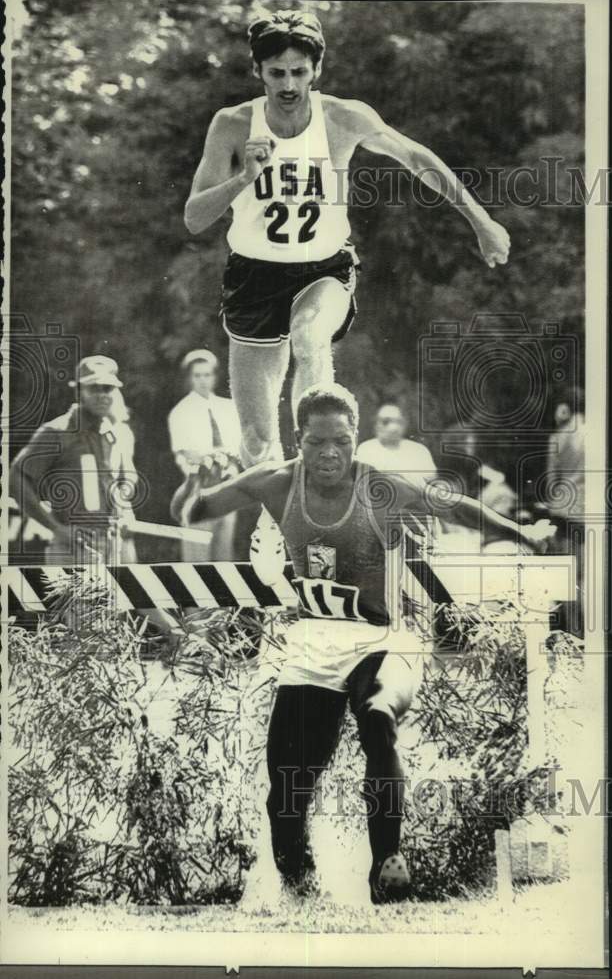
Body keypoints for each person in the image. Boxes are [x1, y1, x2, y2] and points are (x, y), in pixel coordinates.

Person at [171, 384, 552, 903]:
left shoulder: (379, 487)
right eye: (317, 442)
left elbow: (454, 505)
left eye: (342, 442)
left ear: (356, 440)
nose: (330, 453)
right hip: (312, 643)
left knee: (378, 716)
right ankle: (298, 879)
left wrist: (524, 534)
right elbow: (192, 513)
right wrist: (197, 478)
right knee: (285, 787)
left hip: (381, 637)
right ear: (299, 441)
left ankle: (387, 864)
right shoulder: (277, 483)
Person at [184, 9, 511, 470]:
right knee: (256, 441)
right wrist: (243, 179)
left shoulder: (343, 117)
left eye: (299, 72)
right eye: (276, 73)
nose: (289, 85)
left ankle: (315, 463)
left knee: (309, 335)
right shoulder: (232, 125)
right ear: (258, 71)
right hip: (252, 276)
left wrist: (481, 221)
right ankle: (273, 529)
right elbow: (195, 217)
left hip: (324, 269)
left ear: (316, 70)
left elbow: (416, 158)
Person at [9, 355, 184, 644]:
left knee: (130, 612)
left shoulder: (117, 432)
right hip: (75, 544)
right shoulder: (56, 432)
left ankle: (181, 640)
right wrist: (56, 529)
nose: (103, 395)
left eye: (108, 388)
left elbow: (125, 481)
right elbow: (17, 478)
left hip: (114, 540)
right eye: (95, 388)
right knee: (88, 637)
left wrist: (126, 515)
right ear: (79, 391)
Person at [168, 349, 242, 561]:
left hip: (227, 486)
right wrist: (198, 476)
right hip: (197, 487)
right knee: (197, 555)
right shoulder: (181, 411)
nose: (202, 380)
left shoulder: (228, 408)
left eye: (207, 374)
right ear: (189, 378)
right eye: (197, 375)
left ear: (214, 377)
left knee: (224, 553)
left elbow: (237, 449)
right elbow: (182, 456)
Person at [543, 386, 585, 634]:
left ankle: (573, 633)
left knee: (569, 576)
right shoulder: (597, 433)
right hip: (591, 512)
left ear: (564, 407)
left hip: (565, 513)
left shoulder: (558, 438)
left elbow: (551, 481)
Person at [356, 402, 436, 483]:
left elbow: (433, 482)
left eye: (398, 421)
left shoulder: (419, 450)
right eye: (386, 421)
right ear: (376, 424)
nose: (393, 427)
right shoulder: (366, 449)